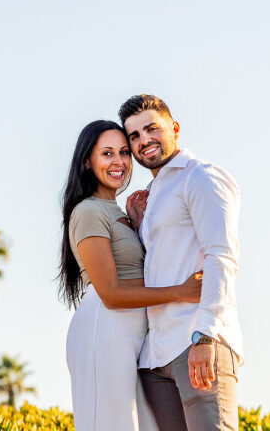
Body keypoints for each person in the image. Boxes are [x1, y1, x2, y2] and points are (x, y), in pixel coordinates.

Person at [59, 119, 203, 431]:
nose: (119, 161)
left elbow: (138, 270)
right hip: (105, 327)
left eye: (124, 152)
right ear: (88, 160)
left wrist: (138, 226)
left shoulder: (117, 212)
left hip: (129, 334)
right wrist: (180, 291)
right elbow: (111, 293)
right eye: (107, 153)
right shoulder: (88, 211)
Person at [120, 94, 243, 431]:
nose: (144, 140)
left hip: (195, 341)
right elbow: (163, 263)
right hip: (155, 357)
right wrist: (138, 225)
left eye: (151, 129)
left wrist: (205, 337)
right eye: (134, 136)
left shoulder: (200, 177)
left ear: (174, 128)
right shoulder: (155, 193)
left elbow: (222, 256)